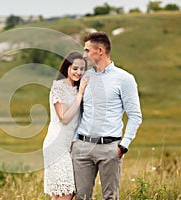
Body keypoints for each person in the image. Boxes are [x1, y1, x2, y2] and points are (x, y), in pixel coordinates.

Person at [71, 32, 142, 199]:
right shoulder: (85, 76)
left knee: (110, 197)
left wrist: (123, 145)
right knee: (81, 196)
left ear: (100, 51)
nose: (84, 54)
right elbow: (79, 111)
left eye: (87, 50)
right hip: (82, 147)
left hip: (110, 148)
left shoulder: (124, 79)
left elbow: (135, 115)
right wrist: (75, 142)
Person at [43, 51, 89, 200]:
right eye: (75, 68)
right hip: (56, 146)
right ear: (67, 67)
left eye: (82, 69)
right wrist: (80, 94)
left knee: (60, 194)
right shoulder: (59, 87)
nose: (79, 72)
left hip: (68, 146)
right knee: (66, 192)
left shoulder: (76, 88)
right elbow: (64, 117)